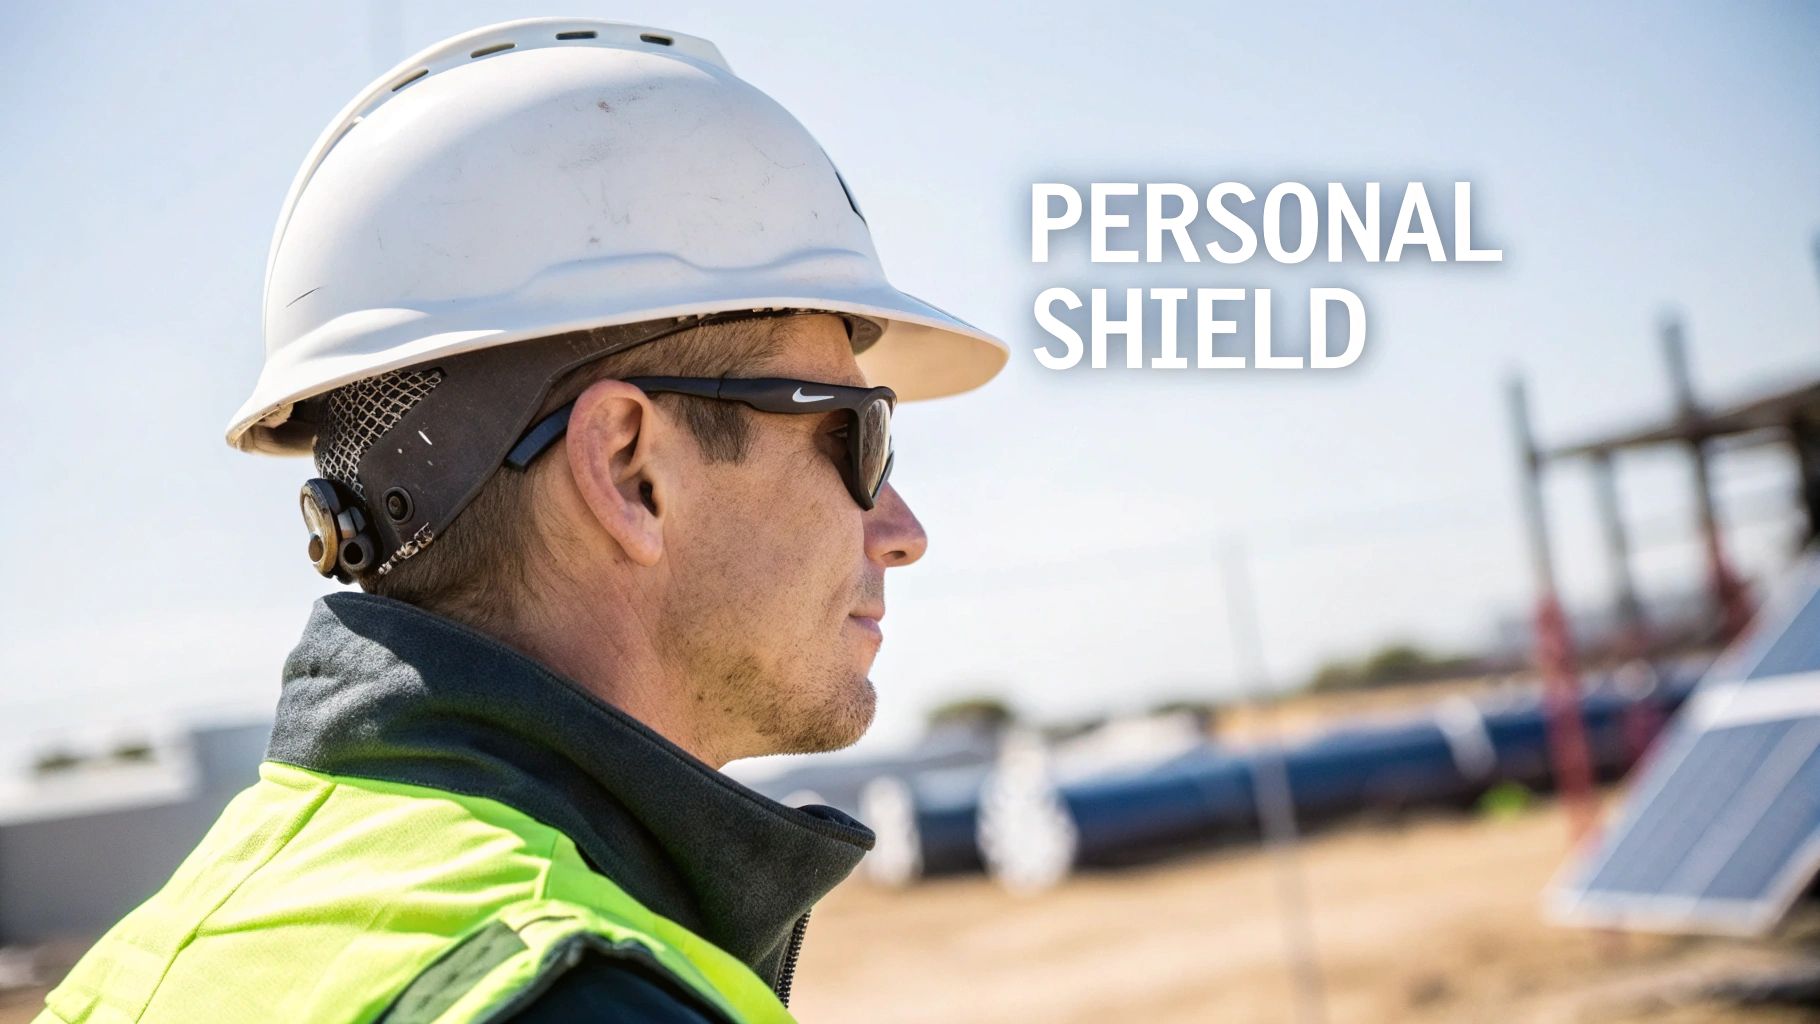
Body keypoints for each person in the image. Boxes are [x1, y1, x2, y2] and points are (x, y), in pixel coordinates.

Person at [36, 18, 1005, 1024]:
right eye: (855, 434)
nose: (899, 527)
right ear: (631, 472)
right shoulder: (576, 994)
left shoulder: (151, 962)